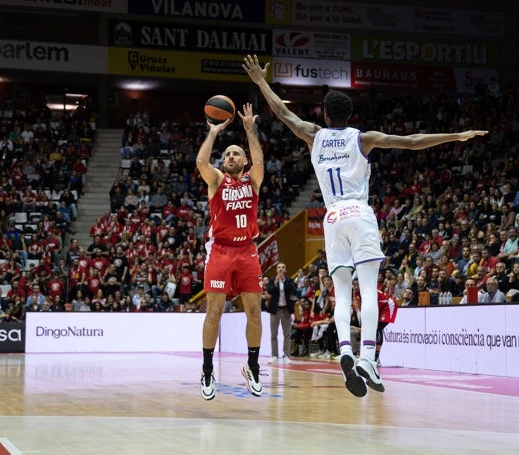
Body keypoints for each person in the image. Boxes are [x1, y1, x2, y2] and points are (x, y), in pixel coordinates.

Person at [244, 54, 487, 397]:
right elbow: (412, 142)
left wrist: (260, 82)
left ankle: (344, 349)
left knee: (342, 293)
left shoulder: (313, 134)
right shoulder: (363, 138)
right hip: (358, 212)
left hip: (330, 218)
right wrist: (457, 136)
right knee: (369, 290)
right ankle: (368, 357)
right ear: (349, 115)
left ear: (326, 115)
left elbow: (283, 113)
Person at [196, 102, 265, 401]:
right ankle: (208, 369)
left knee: (254, 313)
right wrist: (212, 133)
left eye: (235, 153)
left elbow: (260, 161)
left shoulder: (253, 180)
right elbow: (201, 162)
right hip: (221, 251)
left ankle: (252, 366)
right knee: (214, 312)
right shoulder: (217, 180)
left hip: (247, 250)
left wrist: (250, 131)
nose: (230, 157)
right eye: (226, 155)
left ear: (243, 159)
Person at [265, 262, 297, 365]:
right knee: (274, 334)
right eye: (279, 267)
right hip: (275, 310)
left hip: (286, 310)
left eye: (283, 267)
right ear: (276, 270)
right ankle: (274, 355)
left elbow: (293, 289)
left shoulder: (289, 280)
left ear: (285, 270)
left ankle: (286, 355)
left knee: (287, 334)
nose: (281, 269)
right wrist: (275, 282)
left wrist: (283, 281)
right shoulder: (272, 280)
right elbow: (269, 291)